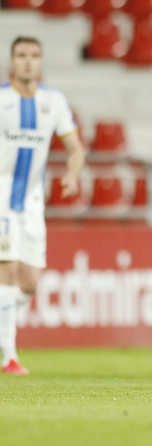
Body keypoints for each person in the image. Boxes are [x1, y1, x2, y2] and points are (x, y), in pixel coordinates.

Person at [0, 37, 85, 374]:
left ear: (41, 62)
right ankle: (9, 357)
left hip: (33, 202)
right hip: (1, 198)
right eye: (21, 55)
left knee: (30, 282)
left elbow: (75, 148)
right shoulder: (1, 100)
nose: (28, 62)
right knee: (6, 272)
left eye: (34, 56)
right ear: (11, 62)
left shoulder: (54, 101)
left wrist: (73, 174)